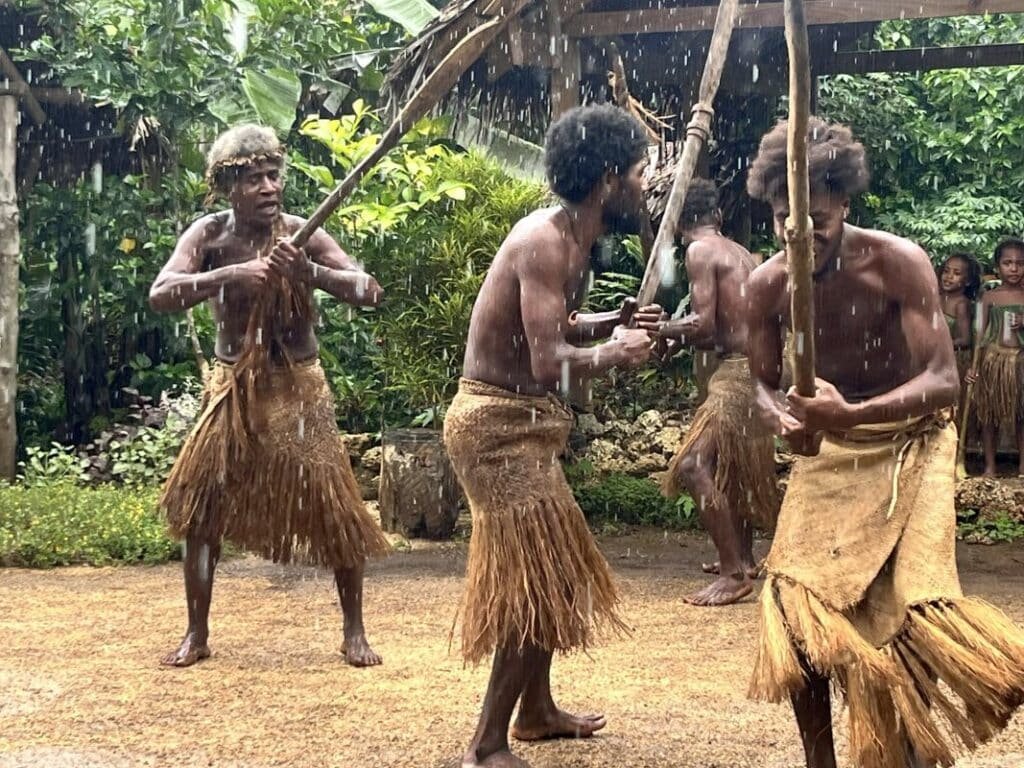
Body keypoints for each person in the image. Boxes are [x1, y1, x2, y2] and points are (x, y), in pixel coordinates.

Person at [744, 117, 1024, 768]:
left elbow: (944, 380)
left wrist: (854, 412)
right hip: (829, 448)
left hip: (912, 442)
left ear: (844, 202)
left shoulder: (897, 262)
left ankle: (908, 748)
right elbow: (758, 383)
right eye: (786, 221)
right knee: (796, 606)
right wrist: (783, 417)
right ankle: (820, 762)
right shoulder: (767, 285)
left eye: (816, 220)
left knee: (910, 610)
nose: (800, 235)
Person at [443, 104, 661, 768]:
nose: (646, 184)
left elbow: (553, 327)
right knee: (528, 580)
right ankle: (486, 744)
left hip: (526, 428)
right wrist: (617, 352)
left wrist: (608, 322)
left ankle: (535, 712)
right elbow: (546, 363)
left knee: (553, 569)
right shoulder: (543, 239)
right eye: (640, 171)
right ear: (607, 179)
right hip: (495, 428)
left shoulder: (572, 238)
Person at [149, 125, 391, 668]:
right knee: (202, 510)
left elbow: (369, 291)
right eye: (253, 179)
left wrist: (311, 272)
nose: (268, 187)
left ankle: (354, 631)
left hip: (299, 385)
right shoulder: (210, 236)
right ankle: (196, 633)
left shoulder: (303, 233)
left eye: (273, 175)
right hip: (233, 388)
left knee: (336, 508)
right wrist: (233, 274)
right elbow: (161, 293)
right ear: (227, 188)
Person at [649, 179, 779, 607]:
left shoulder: (699, 250)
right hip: (757, 366)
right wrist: (673, 337)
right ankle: (744, 557)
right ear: (717, 215)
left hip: (741, 370)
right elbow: (723, 328)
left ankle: (733, 573)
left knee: (693, 464)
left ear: (677, 222)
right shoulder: (736, 250)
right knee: (733, 465)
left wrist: (658, 329)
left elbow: (702, 323)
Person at [966, 237, 1024, 477]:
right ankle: (990, 466)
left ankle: (1023, 466)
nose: (1014, 268)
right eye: (1007, 263)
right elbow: (979, 332)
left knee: (1021, 414)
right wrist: (974, 365)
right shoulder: (989, 298)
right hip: (993, 361)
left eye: (1020, 263)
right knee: (989, 415)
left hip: (1020, 361)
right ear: (997, 267)